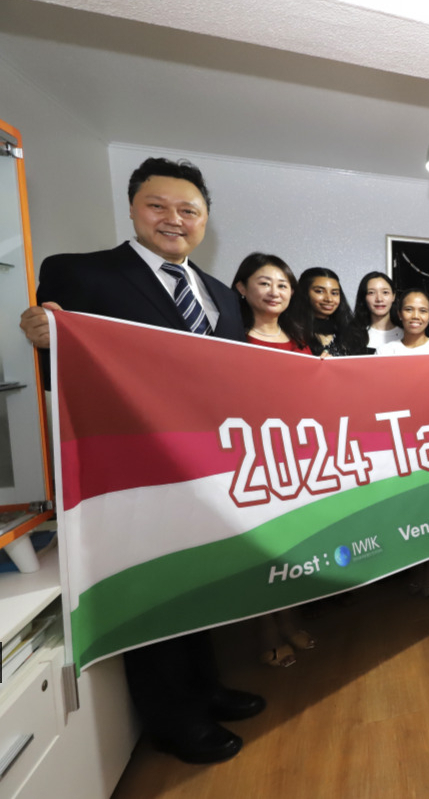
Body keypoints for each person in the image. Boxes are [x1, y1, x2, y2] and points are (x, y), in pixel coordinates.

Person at [18, 157, 263, 764]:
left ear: (205, 220)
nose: (174, 220)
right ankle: (173, 720)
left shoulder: (218, 297)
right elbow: (57, 354)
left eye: (189, 210)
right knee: (152, 588)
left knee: (200, 580)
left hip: (206, 469)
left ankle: (206, 688)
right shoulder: (80, 274)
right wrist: (47, 331)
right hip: (129, 470)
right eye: (159, 206)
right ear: (132, 208)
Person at [231, 252, 318, 665]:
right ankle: (268, 632)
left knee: (292, 548)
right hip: (251, 460)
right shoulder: (229, 340)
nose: (274, 292)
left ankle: (290, 621)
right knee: (261, 551)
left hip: (297, 459)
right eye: (264, 283)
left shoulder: (301, 340)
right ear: (242, 288)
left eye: (283, 285)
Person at [376, 288, 429, 593]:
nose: (415, 316)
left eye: (422, 311)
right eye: (409, 309)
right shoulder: (385, 353)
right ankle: (409, 564)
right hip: (398, 444)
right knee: (407, 510)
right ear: (399, 313)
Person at [296, 266, 361, 356]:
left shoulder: (351, 331)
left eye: (334, 293)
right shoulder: (292, 331)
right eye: (319, 291)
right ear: (304, 293)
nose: (329, 299)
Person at [352, 271, 401, 353]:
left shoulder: (407, 334)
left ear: (393, 296)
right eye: (371, 293)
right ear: (364, 297)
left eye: (385, 292)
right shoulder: (352, 335)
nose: (379, 299)